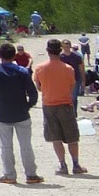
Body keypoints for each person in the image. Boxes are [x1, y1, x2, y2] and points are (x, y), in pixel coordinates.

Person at [0, 40, 40, 185]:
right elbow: (33, 94)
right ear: (14, 55)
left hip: (2, 112)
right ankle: (31, 175)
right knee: (26, 145)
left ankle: (9, 175)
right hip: (21, 112)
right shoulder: (22, 72)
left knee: (6, 145)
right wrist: (28, 105)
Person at [33, 39, 86, 176]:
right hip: (65, 104)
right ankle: (76, 164)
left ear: (48, 51)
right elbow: (72, 86)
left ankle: (62, 165)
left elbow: (39, 87)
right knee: (72, 137)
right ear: (60, 50)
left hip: (49, 105)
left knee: (55, 137)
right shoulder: (68, 69)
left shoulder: (40, 68)